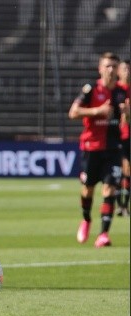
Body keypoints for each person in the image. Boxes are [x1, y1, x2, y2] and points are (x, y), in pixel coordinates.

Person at [68, 52, 130, 247]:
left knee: (110, 188)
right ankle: (86, 219)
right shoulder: (91, 89)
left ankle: (103, 234)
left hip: (113, 148)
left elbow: (125, 121)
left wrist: (127, 116)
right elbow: (73, 112)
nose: (111, 70)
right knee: (88, 189)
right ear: (100, 68)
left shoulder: (123, 91)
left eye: (114, 66)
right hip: (91, 146)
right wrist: (97, 111)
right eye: (107, 66)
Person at [116, 59, 130, 217]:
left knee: (127, 170)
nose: (127, 72)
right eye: (124, 69)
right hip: (117, 136)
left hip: (128, 135)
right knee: (119, 171)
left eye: (129, 69)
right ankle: (119, 204)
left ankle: (124, 205)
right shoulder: (115, 90)